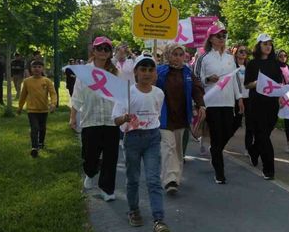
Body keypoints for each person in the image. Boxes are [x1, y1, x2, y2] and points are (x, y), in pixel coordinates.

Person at [112, 55, 170, 232]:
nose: (146, 73)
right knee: (134, 178)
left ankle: (158, 218)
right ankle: (134, 210)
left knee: (153, 179)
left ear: (155, 73)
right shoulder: (127, 93)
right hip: (132, 140)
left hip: (152, 138)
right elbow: (116, 120)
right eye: (142, 69)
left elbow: (156, 115)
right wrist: (125, 118)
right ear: (135, 72)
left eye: (150, 70)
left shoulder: (159, 93)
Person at [69, 36, 120, 201]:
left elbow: (121, 95)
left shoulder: (115, 71)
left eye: (107, 49)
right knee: (90, 156)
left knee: (111, 157)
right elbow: (77, 96)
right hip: (91, 120)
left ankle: (107, 189)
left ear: (110, 52)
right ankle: (90, 173)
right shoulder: (85, 72)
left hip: (112, 120)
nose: (103, 52)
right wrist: (73, 117)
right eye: (100, 48)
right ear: (94, 50)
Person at [197, 22, 243, 184]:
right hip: (212, 102)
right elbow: (197, 80)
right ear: (210, 39)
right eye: (218, 36)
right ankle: (219, 172)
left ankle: (214, 150)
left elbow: (235, 80)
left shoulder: (230, 58)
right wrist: (208, 79)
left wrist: (239, 98)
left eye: (224, 36)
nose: (222, 38)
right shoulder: (204, 58)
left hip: (228, 103)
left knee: (228, 132)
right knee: (217, 136)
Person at [156, 44, 205, 194]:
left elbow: (197, 89)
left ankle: (175, 178)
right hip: (164, 117)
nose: (177, 58)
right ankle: (169, 180)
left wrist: (201, 105)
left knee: (177, 150)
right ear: (168, 55)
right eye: (174, 54)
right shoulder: (160, 71)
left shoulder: (187, 72)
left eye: (180, 54)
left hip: (181, 117)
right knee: (168, 147)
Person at [244, 34, 283, 180]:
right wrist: (258, 82)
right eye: (265, 44)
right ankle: (269, 169)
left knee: (264, 134)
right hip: (257, 103)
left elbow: (278, 83)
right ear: (259, 46)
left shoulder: (275, 64)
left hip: (272, 104)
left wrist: (280, 96)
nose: (268, 46)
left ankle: (253, 150)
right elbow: (247, 84)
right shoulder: (252, 64)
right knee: (263, 136)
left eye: (270, 44)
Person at [17, 60, 57, 157]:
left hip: (44, 109)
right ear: (31, 69)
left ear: (42, 68)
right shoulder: (27, 81)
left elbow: (53, 93)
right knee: (34, 128)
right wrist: (20, 107)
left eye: (39, 67)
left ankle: (41, 143)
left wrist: (53, 104)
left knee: (42, 128)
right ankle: (34, 147)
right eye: (34, 67)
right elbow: (23, 96)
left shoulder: (47, 81)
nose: (37, 69)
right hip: (31, 110)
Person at [231, 44, 251, 148]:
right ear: (235, 53)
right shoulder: (232, 67)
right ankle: (220, 142)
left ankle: (248, 149)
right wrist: (239, 99)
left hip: (249, 98)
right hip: (238, 98)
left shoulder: (249, 67)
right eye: (241, 51)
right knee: (236, 122)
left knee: (250, 124)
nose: (244, 53)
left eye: (245, 52)